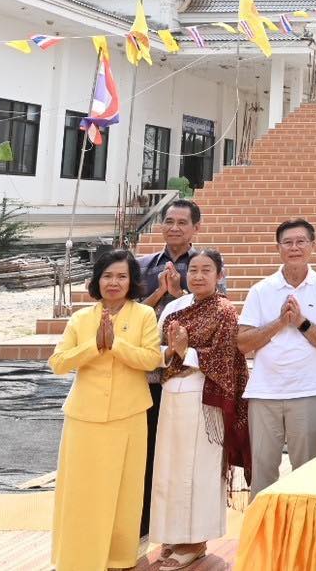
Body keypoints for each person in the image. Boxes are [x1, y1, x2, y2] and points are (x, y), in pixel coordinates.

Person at [48, 248, 162, 571]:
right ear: (97, 280)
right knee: (81, 491)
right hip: (84, 417)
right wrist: (94, 345)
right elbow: (58, 363)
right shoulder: (81, 318)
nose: (114, 282)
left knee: (125, 492)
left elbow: (151, 360)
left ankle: (120, 557)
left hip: (130, 415)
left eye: (122, 276)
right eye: (108, 276)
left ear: (132, 281)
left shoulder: (144, 316)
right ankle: (76, 558)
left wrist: (116, 345)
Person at [151, 249, 249, 571]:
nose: (199, 276)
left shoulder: (224, 310)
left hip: (203, 397)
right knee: (171, 466)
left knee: (197, 470)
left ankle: (195, 540)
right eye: (193, 270)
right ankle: (175, 534)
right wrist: (171, 351)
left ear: (220, 276)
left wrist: (186, 351)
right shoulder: (176, 307)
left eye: (207, 270)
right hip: (171, 393)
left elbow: (225, 358)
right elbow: (157, 350)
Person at [236, 218, 316, 499]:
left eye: (301, 241)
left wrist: (302, 322)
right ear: (278, 247)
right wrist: (280, 323)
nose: (294, 248)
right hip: (264, 392)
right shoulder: (261, 289)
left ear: (312, 246)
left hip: (307, 390)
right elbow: (242, 342)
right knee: (262, 473)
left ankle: (304, 539)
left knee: (306, 472)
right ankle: (261, 539)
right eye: (288, 242)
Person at [136, 199, 220, 539]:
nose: (174, 227)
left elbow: (214, 309)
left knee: (176, 452)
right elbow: (128, 310)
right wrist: (159, 294)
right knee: (143, 445)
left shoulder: (204, 264)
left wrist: (181, 292)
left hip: (183, 376)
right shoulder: (143, 265)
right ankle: (142, 519)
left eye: (182, 222)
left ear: (196, 228)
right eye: (168, 220)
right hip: (144, 368)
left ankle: (179, 527)